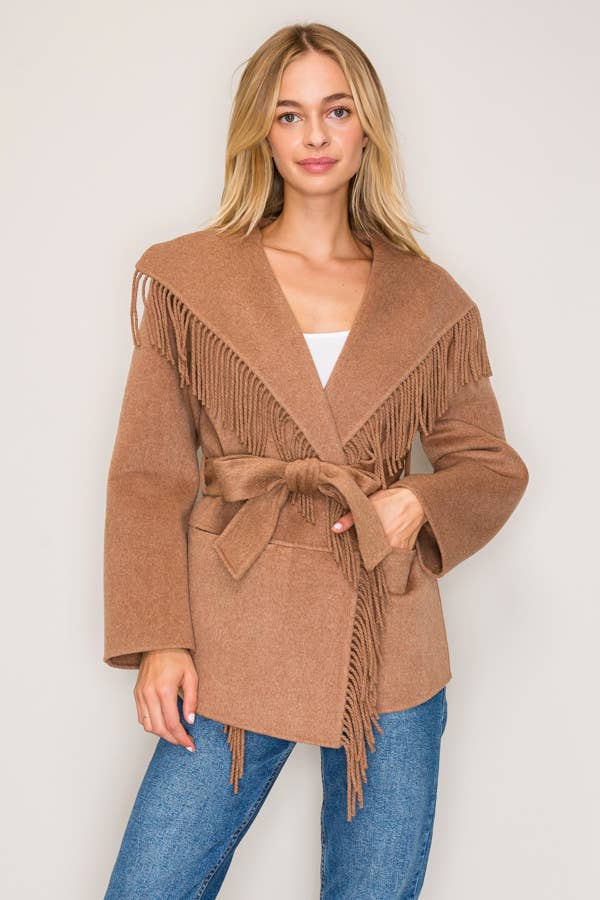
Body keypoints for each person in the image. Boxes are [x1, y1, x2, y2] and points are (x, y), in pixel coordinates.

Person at [102, 22, 529, 900]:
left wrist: (418, 501)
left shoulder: (428, 297)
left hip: (388, 639)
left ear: (367, 125)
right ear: (261, 132)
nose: (315, 136)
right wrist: (160, 639)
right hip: (232, 625)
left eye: (336, 110)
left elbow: (489, 465)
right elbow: (148, 475)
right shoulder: (192, 279)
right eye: (289, 115)